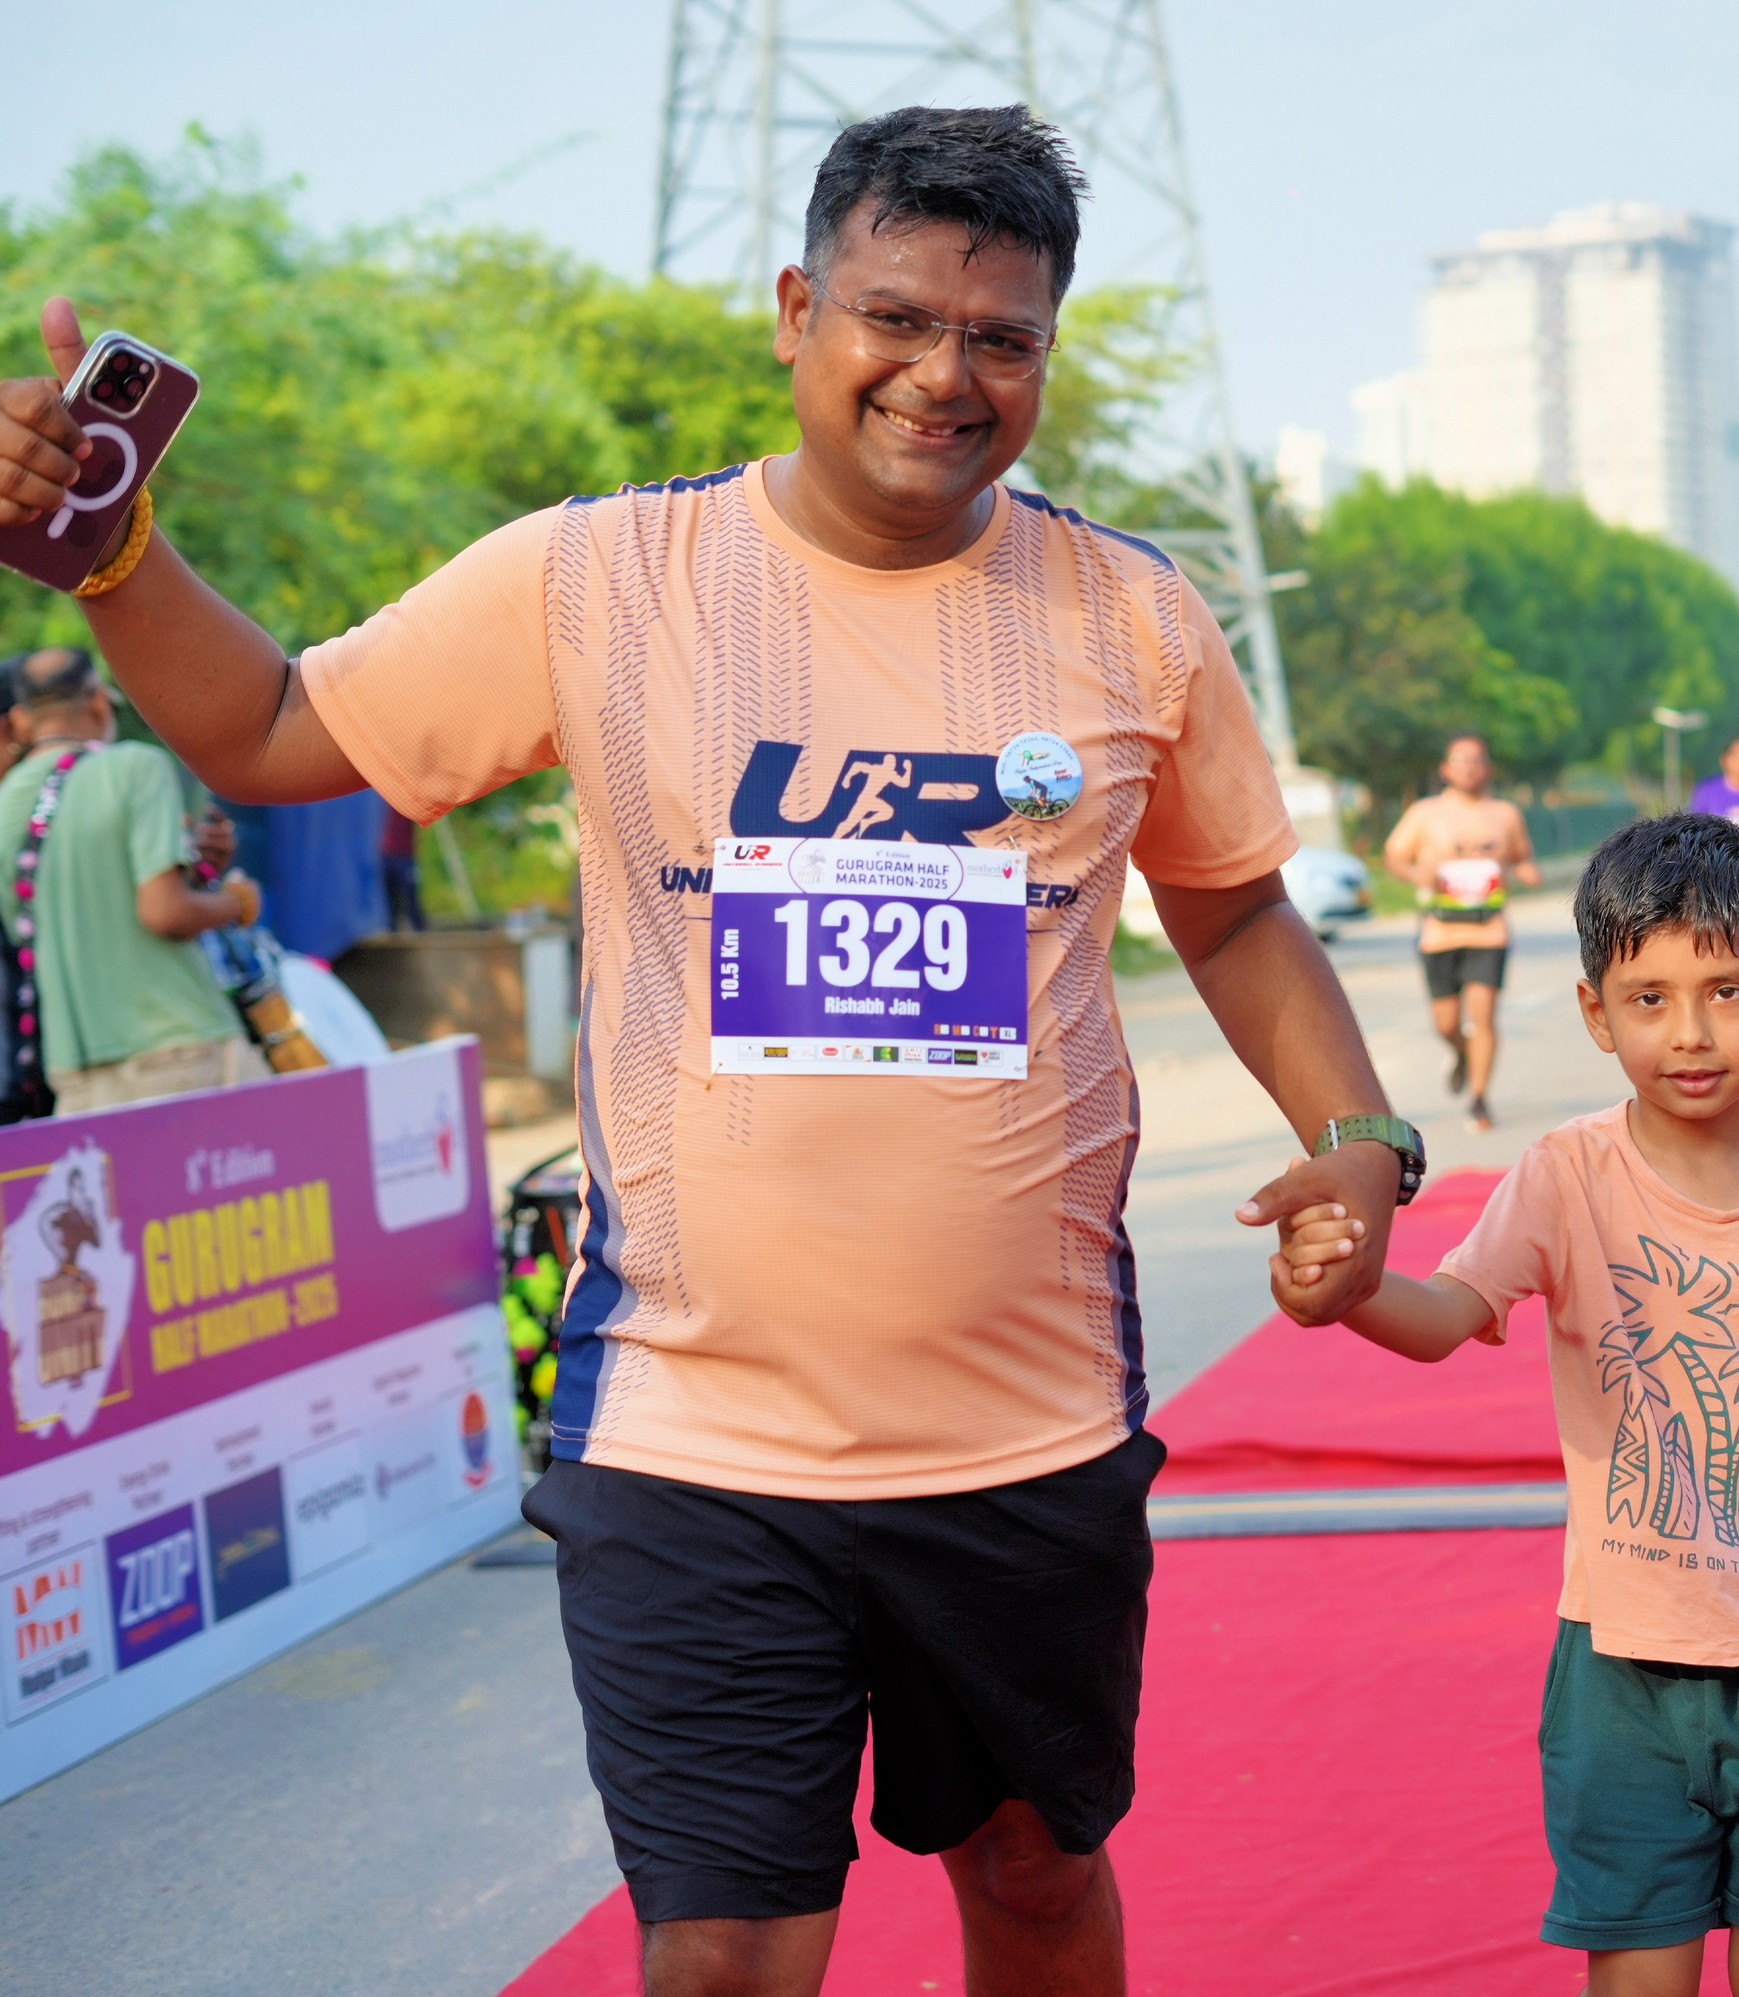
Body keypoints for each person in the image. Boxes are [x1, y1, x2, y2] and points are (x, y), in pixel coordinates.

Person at [0, 106, 1419, 1997]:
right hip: (689, 1427)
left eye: (1001, 338)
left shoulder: (1132, 614)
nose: (944, 376)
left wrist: (1362, 1134)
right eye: (895, 318)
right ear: (794, 312)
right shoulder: (602, 579)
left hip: (1030, 1427)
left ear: (1045, 351)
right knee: (727, 1942)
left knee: (1033, 1872)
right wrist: (112, 559)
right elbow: (268, 725)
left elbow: (1231, 908)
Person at [1266, 814, 1739, 1997]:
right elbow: (1446, 1313)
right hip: (1620, 1668)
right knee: (1637, 1962)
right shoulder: (1566, 1174)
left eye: (1726, 991)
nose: (1689, 1032)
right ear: (1596, 1012)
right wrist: (1345, 1288)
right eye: (1648, 998)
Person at [0, 647, 260, 1116]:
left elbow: (48, 921)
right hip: (181, 1047)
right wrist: (237, 902)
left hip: (77, 1073)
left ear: (21, 722)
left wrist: (195, 871)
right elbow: (164, 912)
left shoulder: (6, 804)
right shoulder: (136, 767)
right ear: (100, 703)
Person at [1383, 731, 1539, 1134]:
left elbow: (1522, 857)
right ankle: (1461, 1052)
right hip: (1440, 931)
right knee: (1446, 1023)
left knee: (1483, 1015)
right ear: (1445, 769)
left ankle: (1479, 1099)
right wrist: (1419, 875)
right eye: (1461, 761)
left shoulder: (1505, 814)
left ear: (1488, 768)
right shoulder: (1425, 813)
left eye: (1476, 761)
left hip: (1489, 930)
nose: (1469, 769)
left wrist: (1528, 873)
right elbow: (1394, 856)